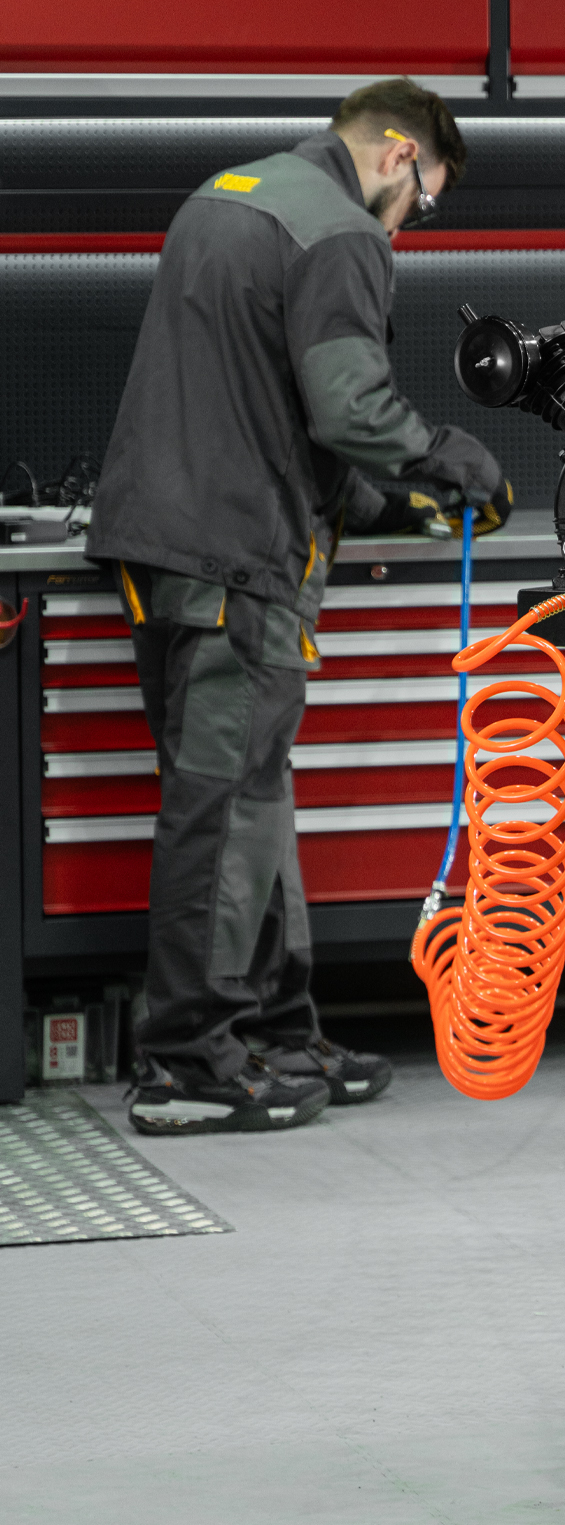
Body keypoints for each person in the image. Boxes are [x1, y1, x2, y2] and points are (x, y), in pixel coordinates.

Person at [88, 79, 511, 1135]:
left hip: (164, 539)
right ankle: (187, 1062)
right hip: (236, 560)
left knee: (249, 797)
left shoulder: (227, 195)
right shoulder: (339, 230)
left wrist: (377, 502)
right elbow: (348, 408)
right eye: (425, 199)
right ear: (399, 153)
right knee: (226, 806)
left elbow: (255, 402)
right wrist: (447, 460)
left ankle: (274, 1027)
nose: (411, 223)